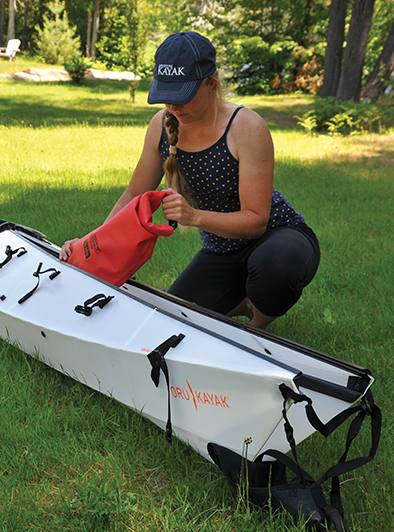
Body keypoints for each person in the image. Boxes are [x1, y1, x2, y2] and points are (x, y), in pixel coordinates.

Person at [60, 31, 320, 330]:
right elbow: (133, 193)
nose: (173, 105)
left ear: (212, 82)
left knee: (277, 266)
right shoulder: (160, 125)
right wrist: (90, 243)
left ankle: (257, 322)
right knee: (170, 323)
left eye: (181, 95)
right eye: (166, 95)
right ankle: (242, 300)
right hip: (221, 250)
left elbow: (256, 221)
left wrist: (193, 216)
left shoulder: (246, 127)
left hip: (278, 236)